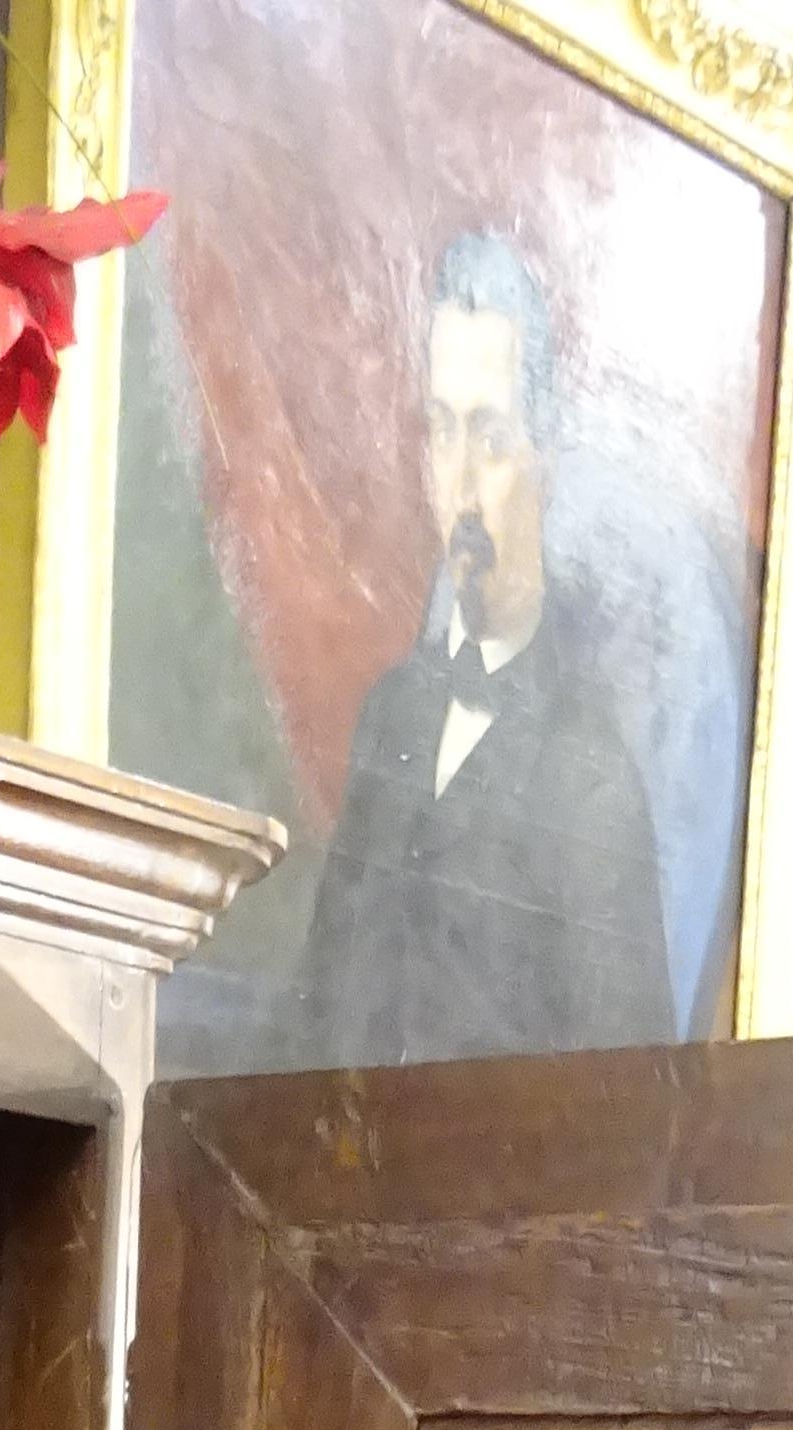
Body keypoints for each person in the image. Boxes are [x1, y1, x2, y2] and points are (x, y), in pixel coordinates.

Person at [287, 229, 677, 1068]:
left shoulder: (592, 779)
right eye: (441, 432)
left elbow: (629, 1121)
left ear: (547, 463)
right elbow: (316, 1015)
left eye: (492, 440)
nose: (460, 484)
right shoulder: (390, 713)